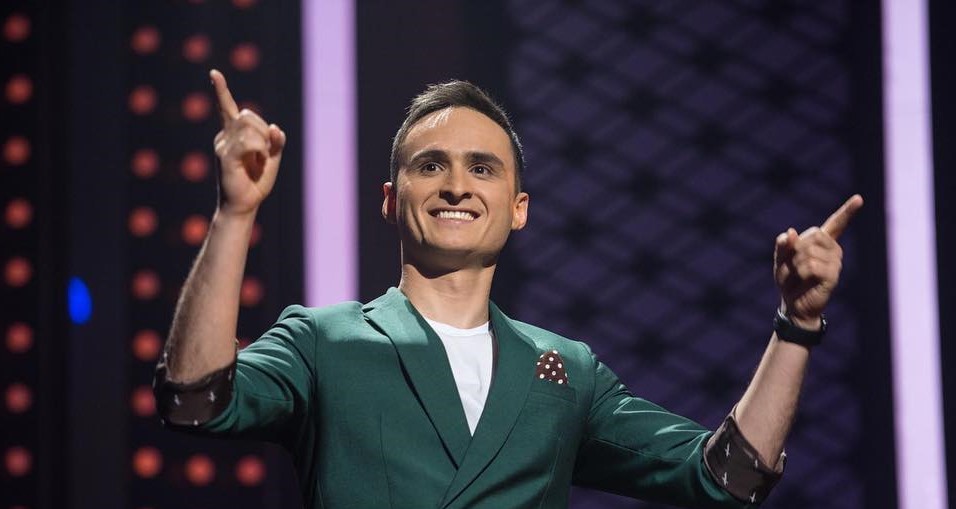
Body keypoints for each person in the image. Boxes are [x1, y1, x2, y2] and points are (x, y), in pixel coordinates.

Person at [153, 69, 863, 508]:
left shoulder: (566, 370)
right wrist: (235, 214)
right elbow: (193, 398)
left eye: (483, 168)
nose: (457, 185)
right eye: (431, 165)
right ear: (391, 200)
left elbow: (730, 476)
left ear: (519, 208)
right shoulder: (324, 340)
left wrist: (797, 324)